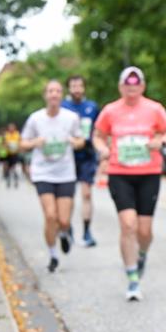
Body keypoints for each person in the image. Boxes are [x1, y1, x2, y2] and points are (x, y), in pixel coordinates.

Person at [92, 66, 166, 301]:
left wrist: (160, 141)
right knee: (128, 225)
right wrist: (102, 149)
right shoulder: (110, 111)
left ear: (143, 86)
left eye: (136, 84)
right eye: (127, 84)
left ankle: (142, 254)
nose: (131, 88)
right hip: (120, 173)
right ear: (120, 87)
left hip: (149, 173)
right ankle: (132, 278)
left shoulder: (154, 109)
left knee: (144, 231)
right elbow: (98, 135)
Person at [20, 80, 85, 273]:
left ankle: (64, 233)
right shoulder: (35, 119)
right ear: (45, 95)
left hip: (65, 173)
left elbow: (81, 140)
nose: (54, 94)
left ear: (61, 95)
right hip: (43, 173)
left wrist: (74, 142)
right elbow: (22, 143)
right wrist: (35, 142)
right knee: (50, 216)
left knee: (63, 220)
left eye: (57, 91)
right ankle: (53, 254)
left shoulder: (71, 118)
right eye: (50, 91)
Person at [62, 75, 101, 247]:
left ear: (84, 88)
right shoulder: (63, 107)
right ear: (69, 88)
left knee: (86, 194)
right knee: (68, 196)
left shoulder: (92, 107)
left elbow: (98, 130)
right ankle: (67, 227)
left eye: (80, 86)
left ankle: (86, 231)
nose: (77, 89)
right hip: (67, 157)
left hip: (87, 156)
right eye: (73, 86)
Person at [3, 122, 21, 188]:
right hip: (8, 153)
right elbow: (4, 143)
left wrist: (18, 147)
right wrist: (7, 145)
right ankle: (8, 180)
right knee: (8, 167)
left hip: (15, 153)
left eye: (12, 127)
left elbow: (20, 142)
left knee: (14, 167)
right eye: (10, 127)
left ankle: (16, 180)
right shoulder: (6, 134)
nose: (11, 128)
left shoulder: (17, 134)